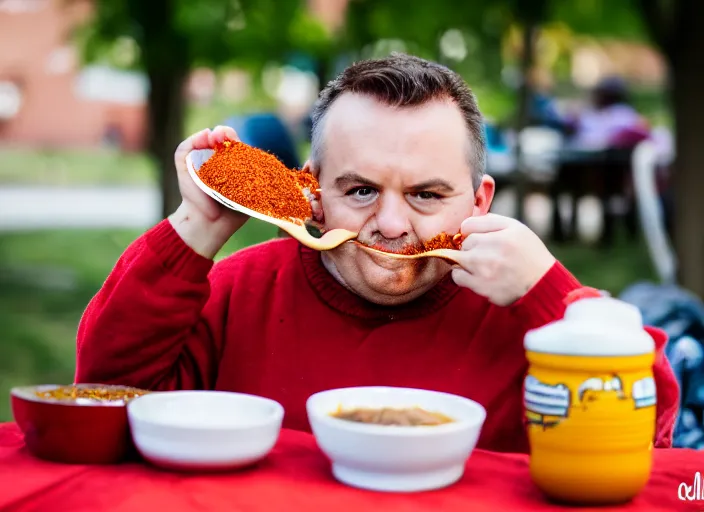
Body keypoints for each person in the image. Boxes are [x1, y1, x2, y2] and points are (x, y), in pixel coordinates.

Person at [75, 53, 679, 453]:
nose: (391, 224)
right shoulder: (239, 293)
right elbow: (103, 404)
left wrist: (548, 291)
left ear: (478, 202)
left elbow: (649, 439)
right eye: (360, 190)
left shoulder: (530, 315)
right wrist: (198, 224)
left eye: (426, 194)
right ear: (312, 192)